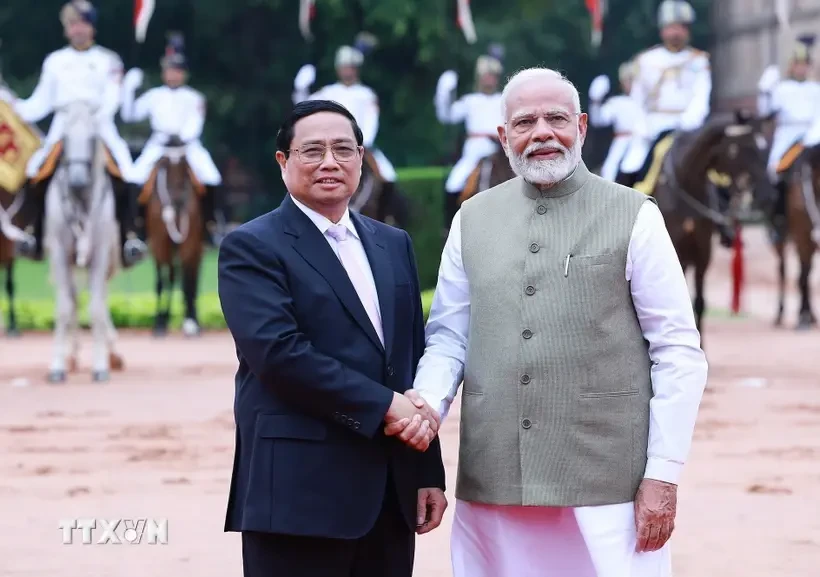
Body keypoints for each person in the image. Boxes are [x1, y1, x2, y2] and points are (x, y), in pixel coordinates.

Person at [401, 67, 708, 577]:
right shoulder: (471, 219)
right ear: (504, 137)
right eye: (524, 122)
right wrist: (426, 406)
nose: (541, 132)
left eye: (556, 118)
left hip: (607, 478)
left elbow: (677, 350)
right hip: (495, 472)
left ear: (582, 127)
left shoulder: (635, 215)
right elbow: (450, 338)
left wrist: (664, 474)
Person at [217, 99, 447, 577]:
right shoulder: (253, 247)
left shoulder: (392, 244)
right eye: (312, 150)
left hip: (390, 494)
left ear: (361, 158)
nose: (329, 162)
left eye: (343, 149)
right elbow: (280, 356)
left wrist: (426, 471)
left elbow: (410, 360)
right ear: (284, 161)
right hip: (300, 495)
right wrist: (386, 405)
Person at [0, 0, 146, 266]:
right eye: (72, 24)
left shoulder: (108, 60)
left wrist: (92, 120)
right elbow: (40, 102)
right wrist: (12, 104)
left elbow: (112, 99)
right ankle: (34, 232)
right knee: (34, 170)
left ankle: (130, 235)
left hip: (99, 125)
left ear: (91, 28)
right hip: (63, 125)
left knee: (127, 170)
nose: (77, 29)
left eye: (82, 23)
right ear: (66, 30)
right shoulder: (55, 61)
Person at [120, 33, 224, 245]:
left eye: (178, 71)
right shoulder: (153, 96)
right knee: (133, 177)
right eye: (170, 70)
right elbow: (129, 114)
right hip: (159, 146)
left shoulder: (194, 97)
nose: (173, 75)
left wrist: (182, 137)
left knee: (212, 177)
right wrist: (128, 89)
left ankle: (212, 224)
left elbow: (195, 124)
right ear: (163, 72)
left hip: (187, 146)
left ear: (184, 74)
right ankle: (134, 228)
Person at [292, 41, 401, 209]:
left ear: (356, 69)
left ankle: (386, 216)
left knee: (388, 175)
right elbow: (302, 106)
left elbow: (372, 120)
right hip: (330, 144)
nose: (346, 70)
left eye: (349, 67)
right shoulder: (328, 92)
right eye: (343, 67)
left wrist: (362, 141)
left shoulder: (366, 94)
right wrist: (301, 88)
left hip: (360, 144)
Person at [617, 0, 710, 189]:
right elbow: (637, 99)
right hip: (652, 126)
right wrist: (642, 127)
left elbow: (701, 97)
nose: (676, 32)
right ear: (662, 30)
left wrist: (687, 123)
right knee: (631, 164)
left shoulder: (699, 61)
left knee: (715, 172)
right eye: (671, 27)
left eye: (681, 27)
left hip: (687, 127)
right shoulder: (646, 60)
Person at [757, 34, 820, 244]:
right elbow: (765, 113)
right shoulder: (781, 89)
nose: (801, 68)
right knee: (776, 174)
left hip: (813, 137)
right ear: (791, 66)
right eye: (797, 64)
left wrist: (813, 135)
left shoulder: (816, 89)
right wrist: (765, 91)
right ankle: (778, 221)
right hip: (788, 139)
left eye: (804, 64)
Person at [435, 52, 505, 229]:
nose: (489, 79)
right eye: (486, 75)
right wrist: (445, 90)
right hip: (475, 152)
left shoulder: (504, 100)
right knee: (453, 184)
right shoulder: (469, 101)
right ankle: (449, 229)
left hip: (502, 150)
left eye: (493, 76)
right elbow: (447, 116)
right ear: (479, 78)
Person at [587, 60, 644, 182]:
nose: (630, 84)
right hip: (622, 142)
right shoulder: (617, 102)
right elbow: (599, 120)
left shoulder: (648, 102)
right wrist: (595, 100)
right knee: (609, 170)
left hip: (643, 140)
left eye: (632, 80)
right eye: (627, 80)